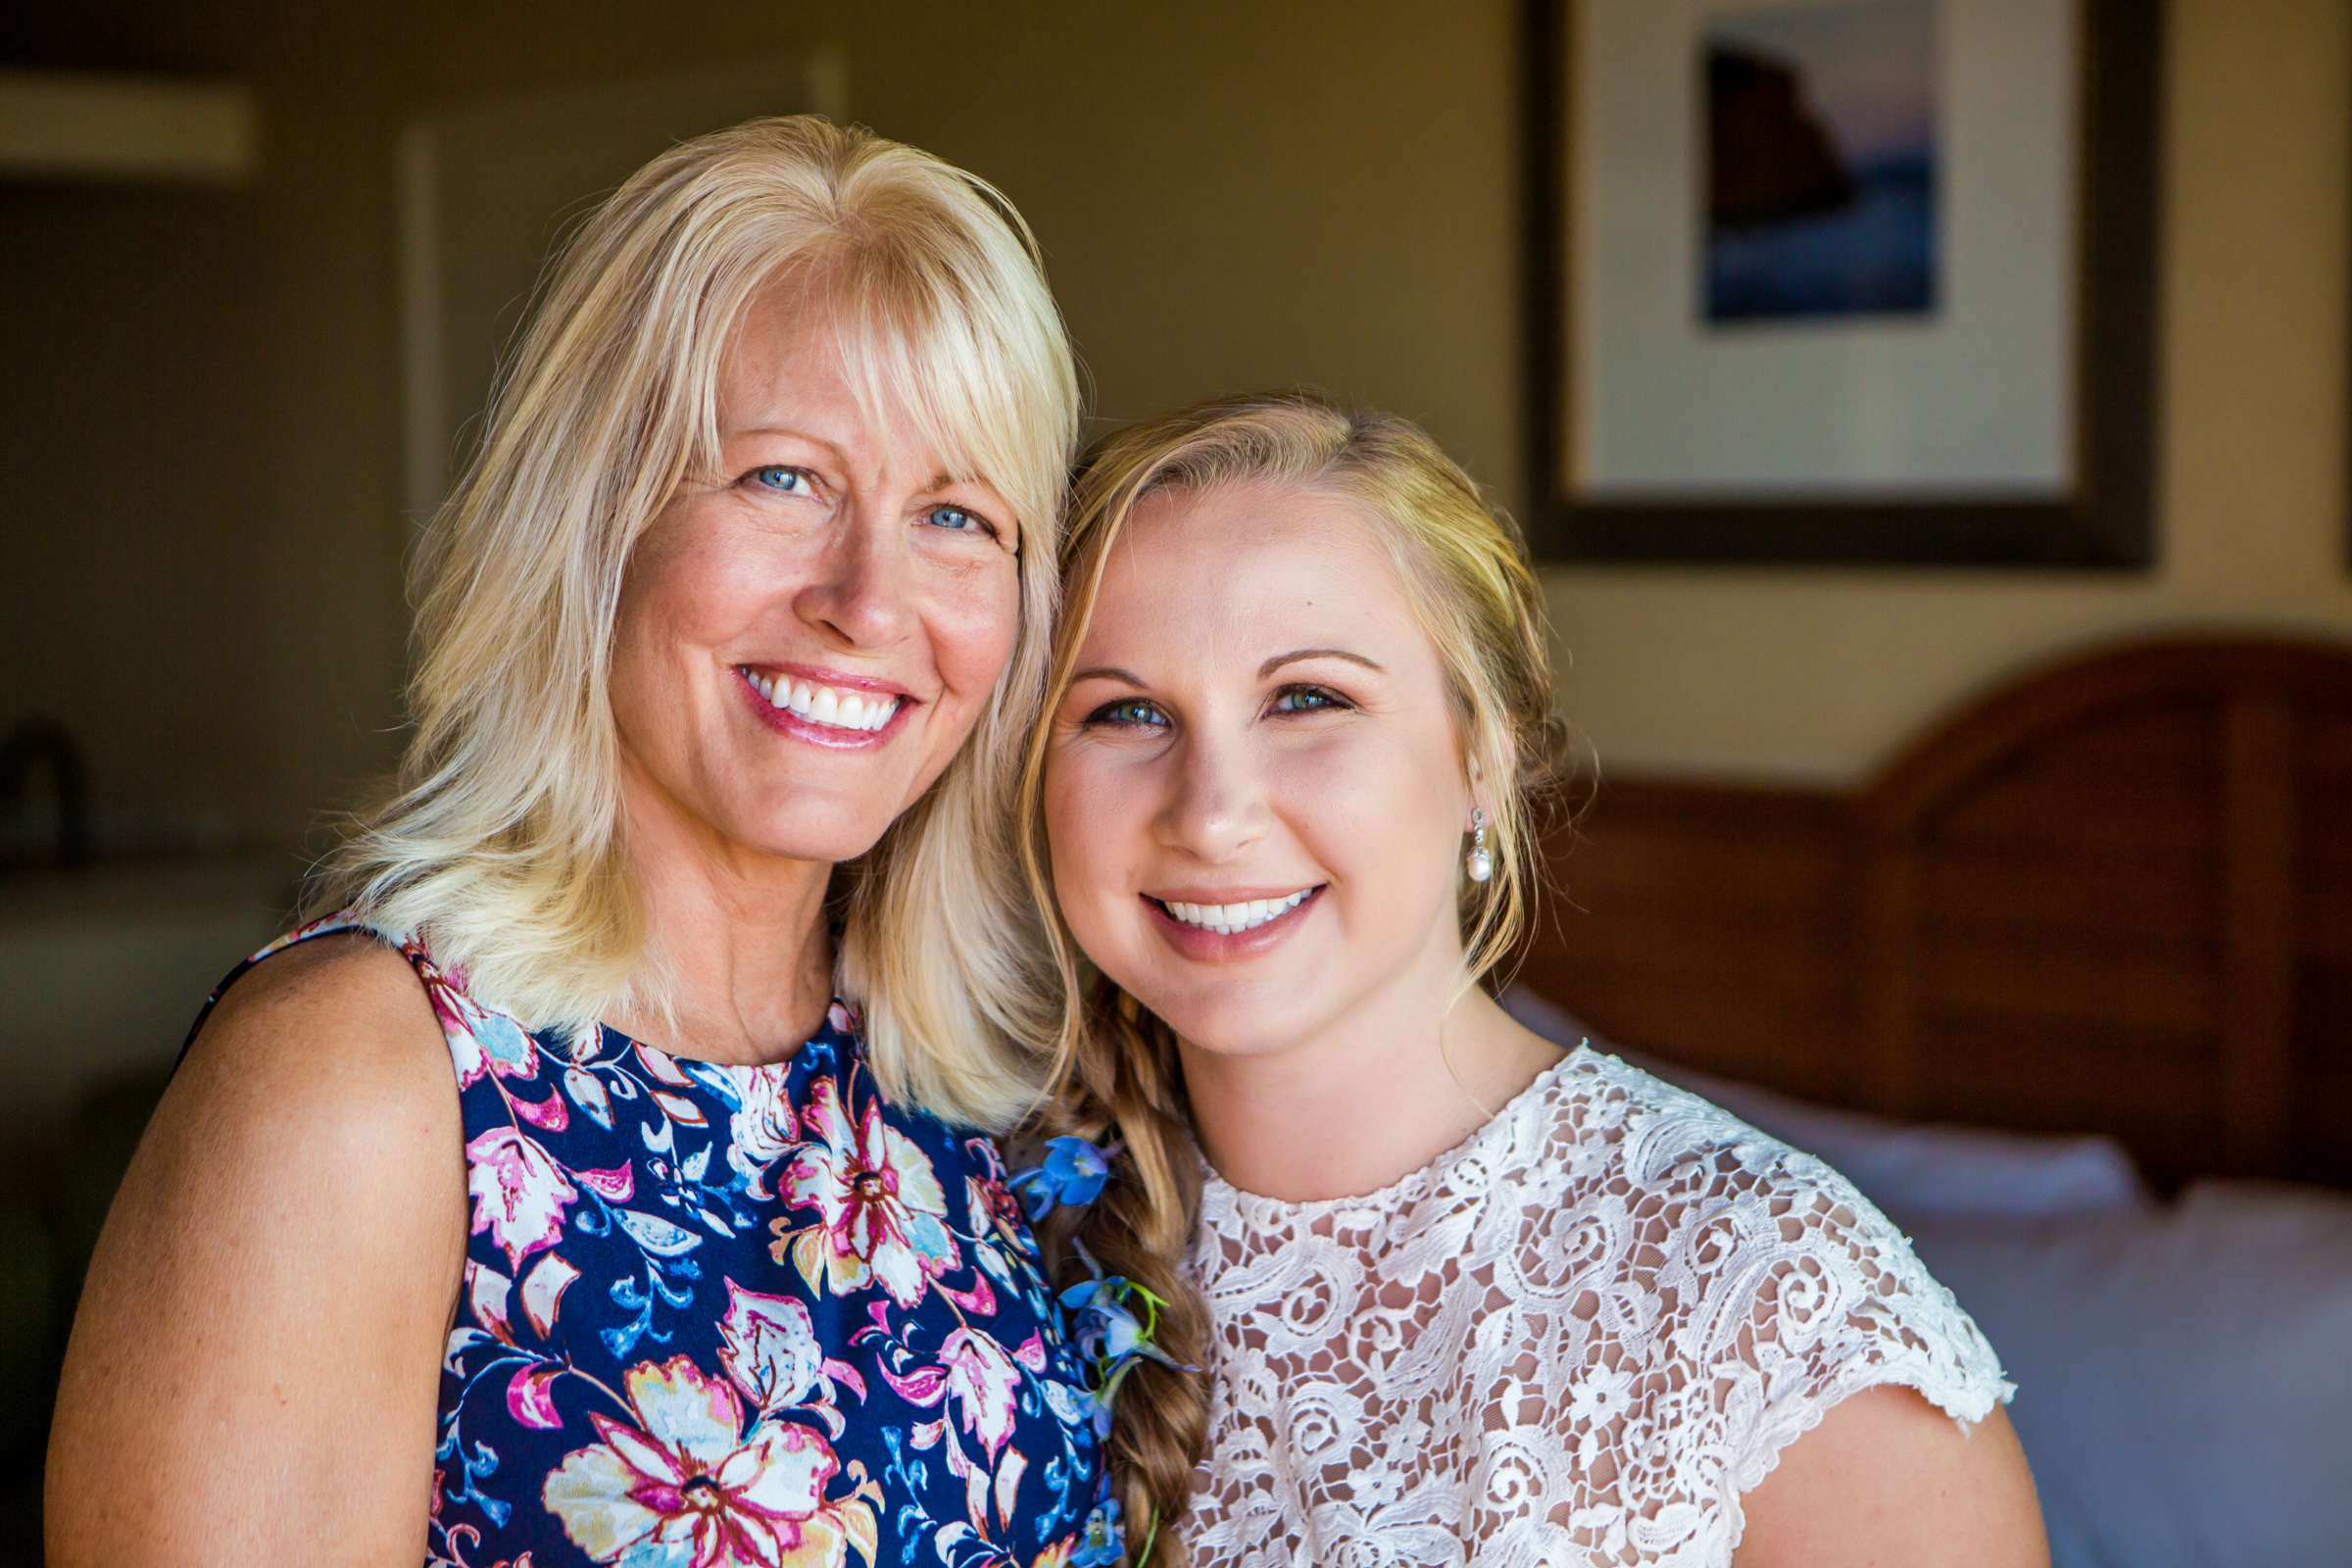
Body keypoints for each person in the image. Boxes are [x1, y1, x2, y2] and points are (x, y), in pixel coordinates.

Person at [46, 117, 1112, 1567]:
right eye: (780, 479)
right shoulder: (360, 1079)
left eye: (955, 515)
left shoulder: (969, 1087)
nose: (870, 601)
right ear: (591, 518)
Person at [1020, 391, 2046, 1566]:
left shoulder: (1777, 1314)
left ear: (1483, 755)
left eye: (1308, 698)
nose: (1210, 814)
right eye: (1125, 711)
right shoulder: (974, 1239)